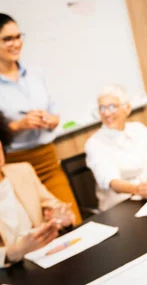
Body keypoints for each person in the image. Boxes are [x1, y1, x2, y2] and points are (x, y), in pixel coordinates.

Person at [0, 13, 81, 224]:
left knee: (72, 221)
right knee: (41, 234)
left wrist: (51, 120)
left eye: (18, 36)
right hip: (15, 167)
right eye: (7, 39)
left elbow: (54, 113)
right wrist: (18, 125)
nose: (16, 43)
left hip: (48, 160)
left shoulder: (36, 74)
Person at [0, 111, 75, 266]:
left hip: (44, 259)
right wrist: (13, 252)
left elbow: (56, 207)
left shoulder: (22, 171)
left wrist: (62, 218)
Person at [85, 85, 147, 211]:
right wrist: (137, 189)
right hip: (120, 206)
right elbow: (113, 182)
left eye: (112, 106)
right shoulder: (94, 144)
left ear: (127, 108)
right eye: (102, 108)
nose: (106, 113)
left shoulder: (139, 129)